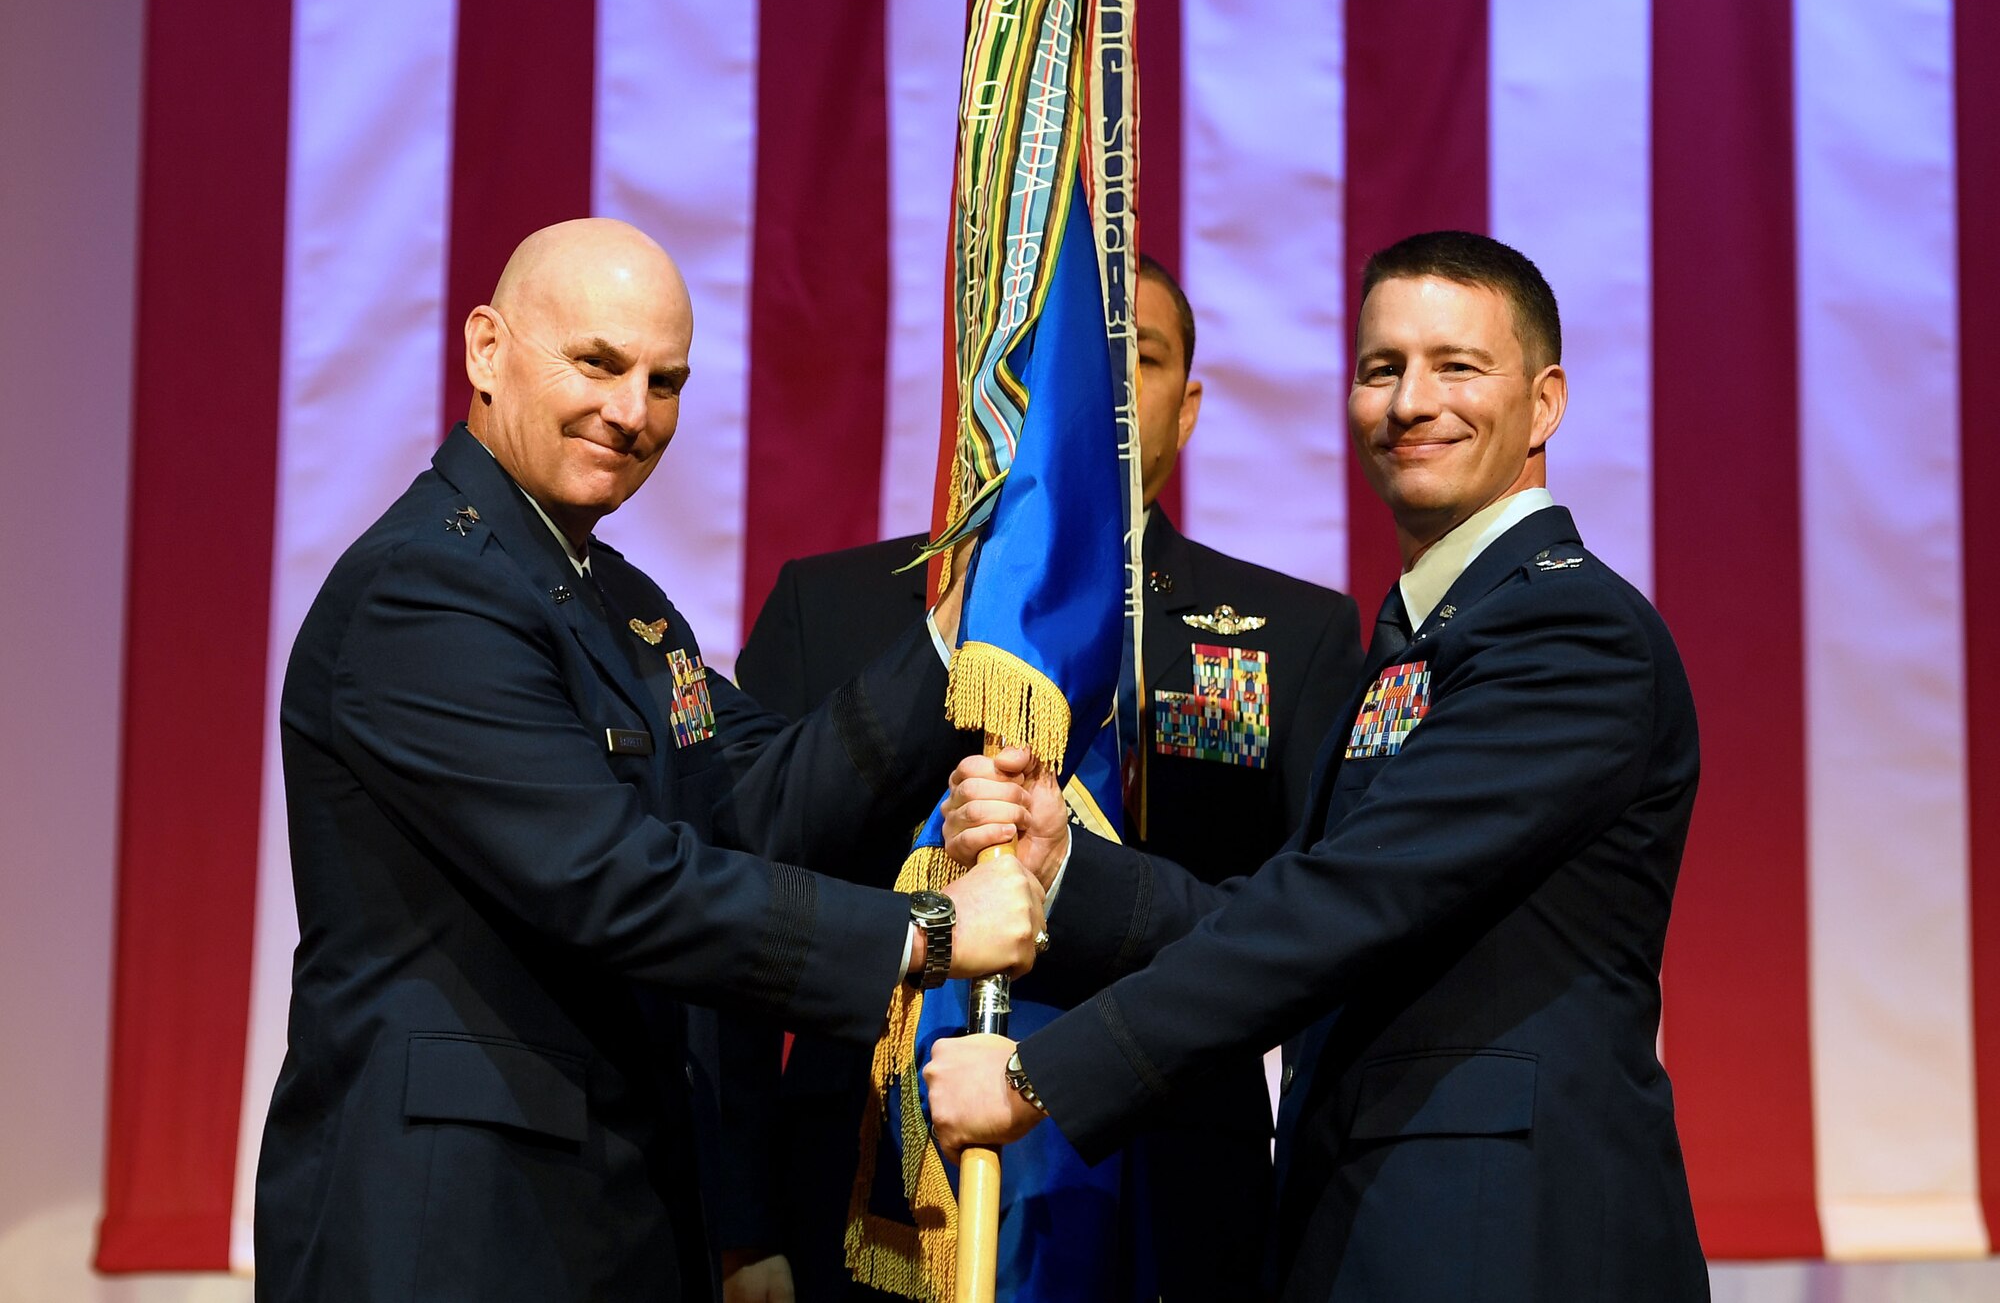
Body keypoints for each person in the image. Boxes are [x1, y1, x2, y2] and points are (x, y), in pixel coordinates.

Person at [252, 218, 1049, 1302]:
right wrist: (929, 933)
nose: (630, 413)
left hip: (605, 1215)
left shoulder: (617, 603)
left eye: (663, 381)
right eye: (596, 363)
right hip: (451, 1226)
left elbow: (763, 804)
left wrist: (949, 640)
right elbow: (615, 881)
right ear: (486, 351)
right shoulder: (425, 593)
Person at [927, 230, 1710, 1301]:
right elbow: (1301, 905)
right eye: (1380, 368)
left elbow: (1345, 905)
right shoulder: (1426, 635)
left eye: (1456, 366)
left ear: (1544, 402)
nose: (1409, 401)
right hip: (1382, 1225)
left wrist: (1039, 1074)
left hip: (1505, 1241)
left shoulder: (1569, 631)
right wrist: (1072, 869)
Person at [717, 256, 1364, 1300]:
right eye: (1055, 361)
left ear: (1186, 407)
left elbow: (1320, 942)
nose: (1092, 392)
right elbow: (734, 925)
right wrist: (740, 1225)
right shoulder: (829, 612)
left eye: (1136, 359)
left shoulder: (1294, 637)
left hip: (1169, 1203)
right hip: (859, 1207)